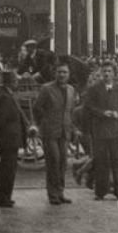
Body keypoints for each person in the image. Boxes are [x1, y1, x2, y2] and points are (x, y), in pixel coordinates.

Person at [84, 61, 118, 201]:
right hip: (100, 129)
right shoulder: (94, 88)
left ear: (114, 73)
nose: (106, 74)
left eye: (109, 71)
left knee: (116, 160)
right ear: (100, 73)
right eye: (104, 71)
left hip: (115, 129)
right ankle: (100, 191)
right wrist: (102, 113)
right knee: (101, 160)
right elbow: (89, 106)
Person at [33, 61, 76, 205]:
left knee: (63, 162)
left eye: (65, 72)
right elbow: (37, 108)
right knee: (54, 161)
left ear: (69, 75)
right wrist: (43, 124)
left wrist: (72, 128)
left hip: (65, 131)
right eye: (59, 72)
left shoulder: (71, 90)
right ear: (55, 73)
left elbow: (71, 110)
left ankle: (60, 192)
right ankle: (52, 194)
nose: (62, 75)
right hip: (50, 131)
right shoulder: (47, 89)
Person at [0, 70, 27, 208]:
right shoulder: (5, 97)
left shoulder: (5, 95)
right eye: (16, 81)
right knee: (7, 169)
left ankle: (5, 196)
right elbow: (3, 120)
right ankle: (2, 197)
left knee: (8, 169)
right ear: (10, 82)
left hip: (8, 138)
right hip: (8, 139)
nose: (17, 83)